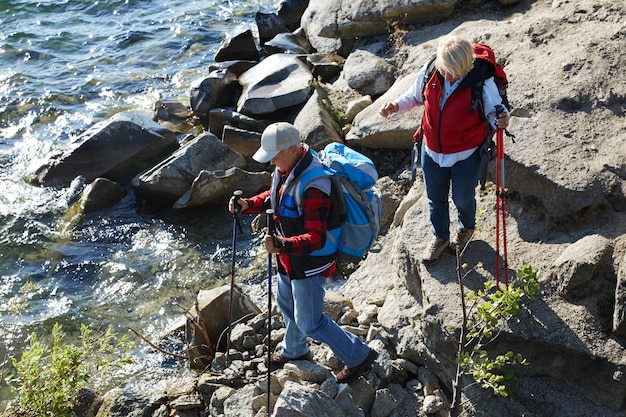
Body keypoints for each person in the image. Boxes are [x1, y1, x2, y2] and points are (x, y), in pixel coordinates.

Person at [229, 122, 377, 384]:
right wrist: (248, 204)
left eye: (274, 155)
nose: (271, 161)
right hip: (289, 258)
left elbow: (316, 239)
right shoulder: (286, 168)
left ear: (291, 149)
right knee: (286, 303)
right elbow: (275, 197)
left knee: (311, 322)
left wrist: (282, 244)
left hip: (310, 262)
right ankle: (295, 350)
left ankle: (358, 355)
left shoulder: (315, 185)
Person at [380, 35, 510, 263]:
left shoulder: (481, 81)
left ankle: (466, 228)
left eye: (454, 72)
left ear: (465, 67)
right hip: (431, 150)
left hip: (466, 154)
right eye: (445, 69)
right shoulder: (433, 69)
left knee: (462, 198)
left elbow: (494, 111)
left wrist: (502, 119)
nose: (448, 76)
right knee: (435, 198)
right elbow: (415, 95)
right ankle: (440, 237)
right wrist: (396, 106)